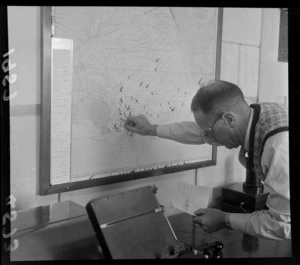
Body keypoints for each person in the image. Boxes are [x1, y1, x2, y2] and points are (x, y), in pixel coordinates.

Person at [124, 80, 290, 240]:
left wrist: (225, 219)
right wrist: (151, 129)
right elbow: (199, 132)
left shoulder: (277, 148)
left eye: (210, 131)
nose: (208, 137)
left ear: (229, 120)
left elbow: (283, 225)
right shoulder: (254, 114)